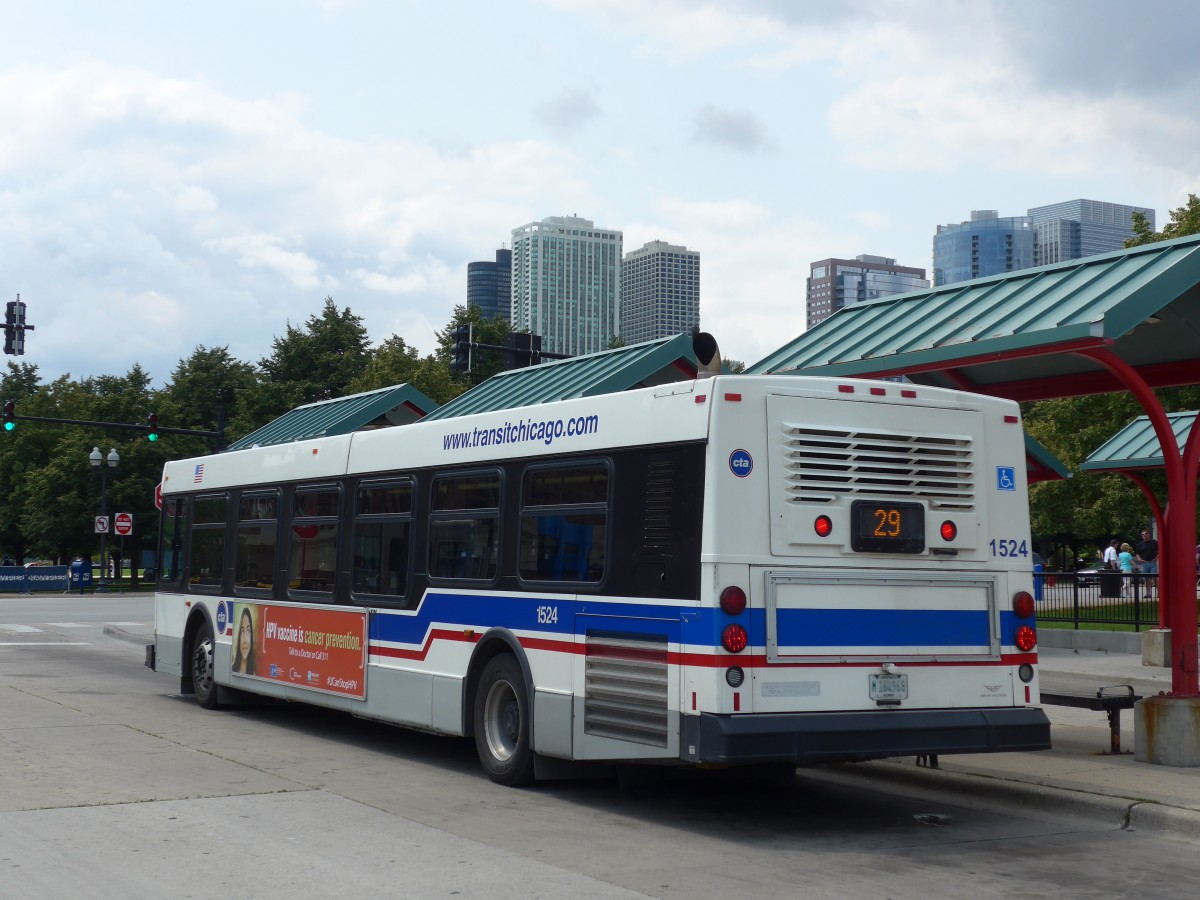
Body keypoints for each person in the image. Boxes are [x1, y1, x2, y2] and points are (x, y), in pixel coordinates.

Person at [231, 606, 257, 676]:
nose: (245, 640)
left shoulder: (254, 675)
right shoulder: (231, 669)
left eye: (248, 631)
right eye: (242, 631)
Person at [1135, 529, 1159, 599]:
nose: (1144, 535)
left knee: (1155, 578)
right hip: (1144, 563)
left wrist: (1156, 558)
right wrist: (1139, 559)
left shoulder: (1155, 542)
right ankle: (1148, 593)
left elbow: (1159, 551)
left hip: (1153, 563)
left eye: (1145, 534)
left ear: (1149, 534)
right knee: (1146, 578)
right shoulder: (1140, 544)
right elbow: (1137, 554)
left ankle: (1159, 592)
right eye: (1142, 534)